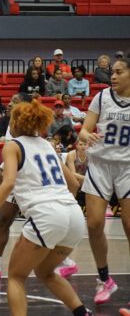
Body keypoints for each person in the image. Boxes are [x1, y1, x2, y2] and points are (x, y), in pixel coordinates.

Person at [0, 99, 92, 316]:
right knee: (45, 272)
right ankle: (83, 313)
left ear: (17, 123)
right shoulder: (48, 145)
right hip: (73, 214)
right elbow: (74, 184)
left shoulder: (13, 145)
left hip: (47, 214)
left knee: (16, 277)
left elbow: (8, 183)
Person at [79, 57, 130, 305]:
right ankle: (104, 278)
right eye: (112, 72)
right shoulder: (102, 97)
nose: (113, 76)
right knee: (94, 224)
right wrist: (87, 135)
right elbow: (84, 129)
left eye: (119, 72)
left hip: (127, 167)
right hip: (100, 165)